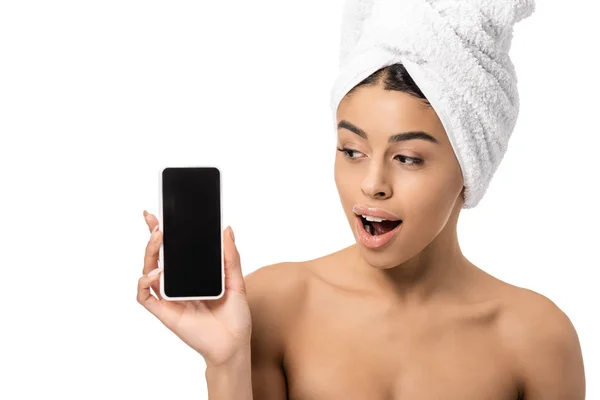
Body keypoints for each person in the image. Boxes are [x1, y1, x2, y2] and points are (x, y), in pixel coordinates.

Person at [137, 64, 585, 399]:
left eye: (407, 157)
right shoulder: (278, 303)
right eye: (351, 150)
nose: (371, 184)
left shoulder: (537, 336)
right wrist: (227, 362)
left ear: (471, 167)